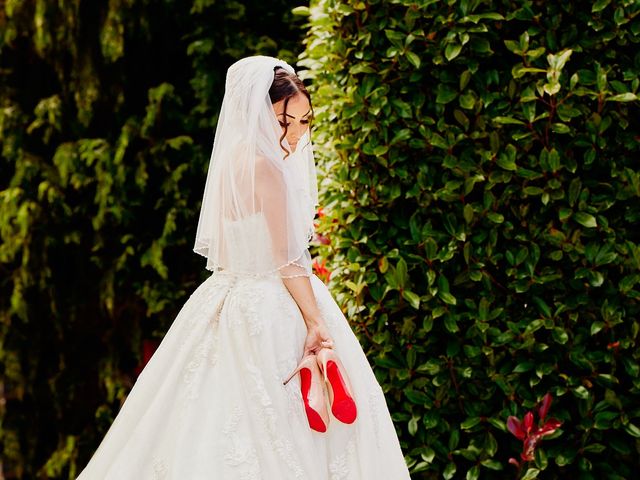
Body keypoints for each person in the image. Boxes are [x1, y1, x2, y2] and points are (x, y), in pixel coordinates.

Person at [76, 55, 411, 480]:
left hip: (224, 298)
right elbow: (289, 261)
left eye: (304, 121)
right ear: (256, 114)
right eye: (282, 121)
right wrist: (315, 323)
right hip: (271, 306)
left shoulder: (232, 162)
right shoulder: (267, 168)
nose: (294, 133)